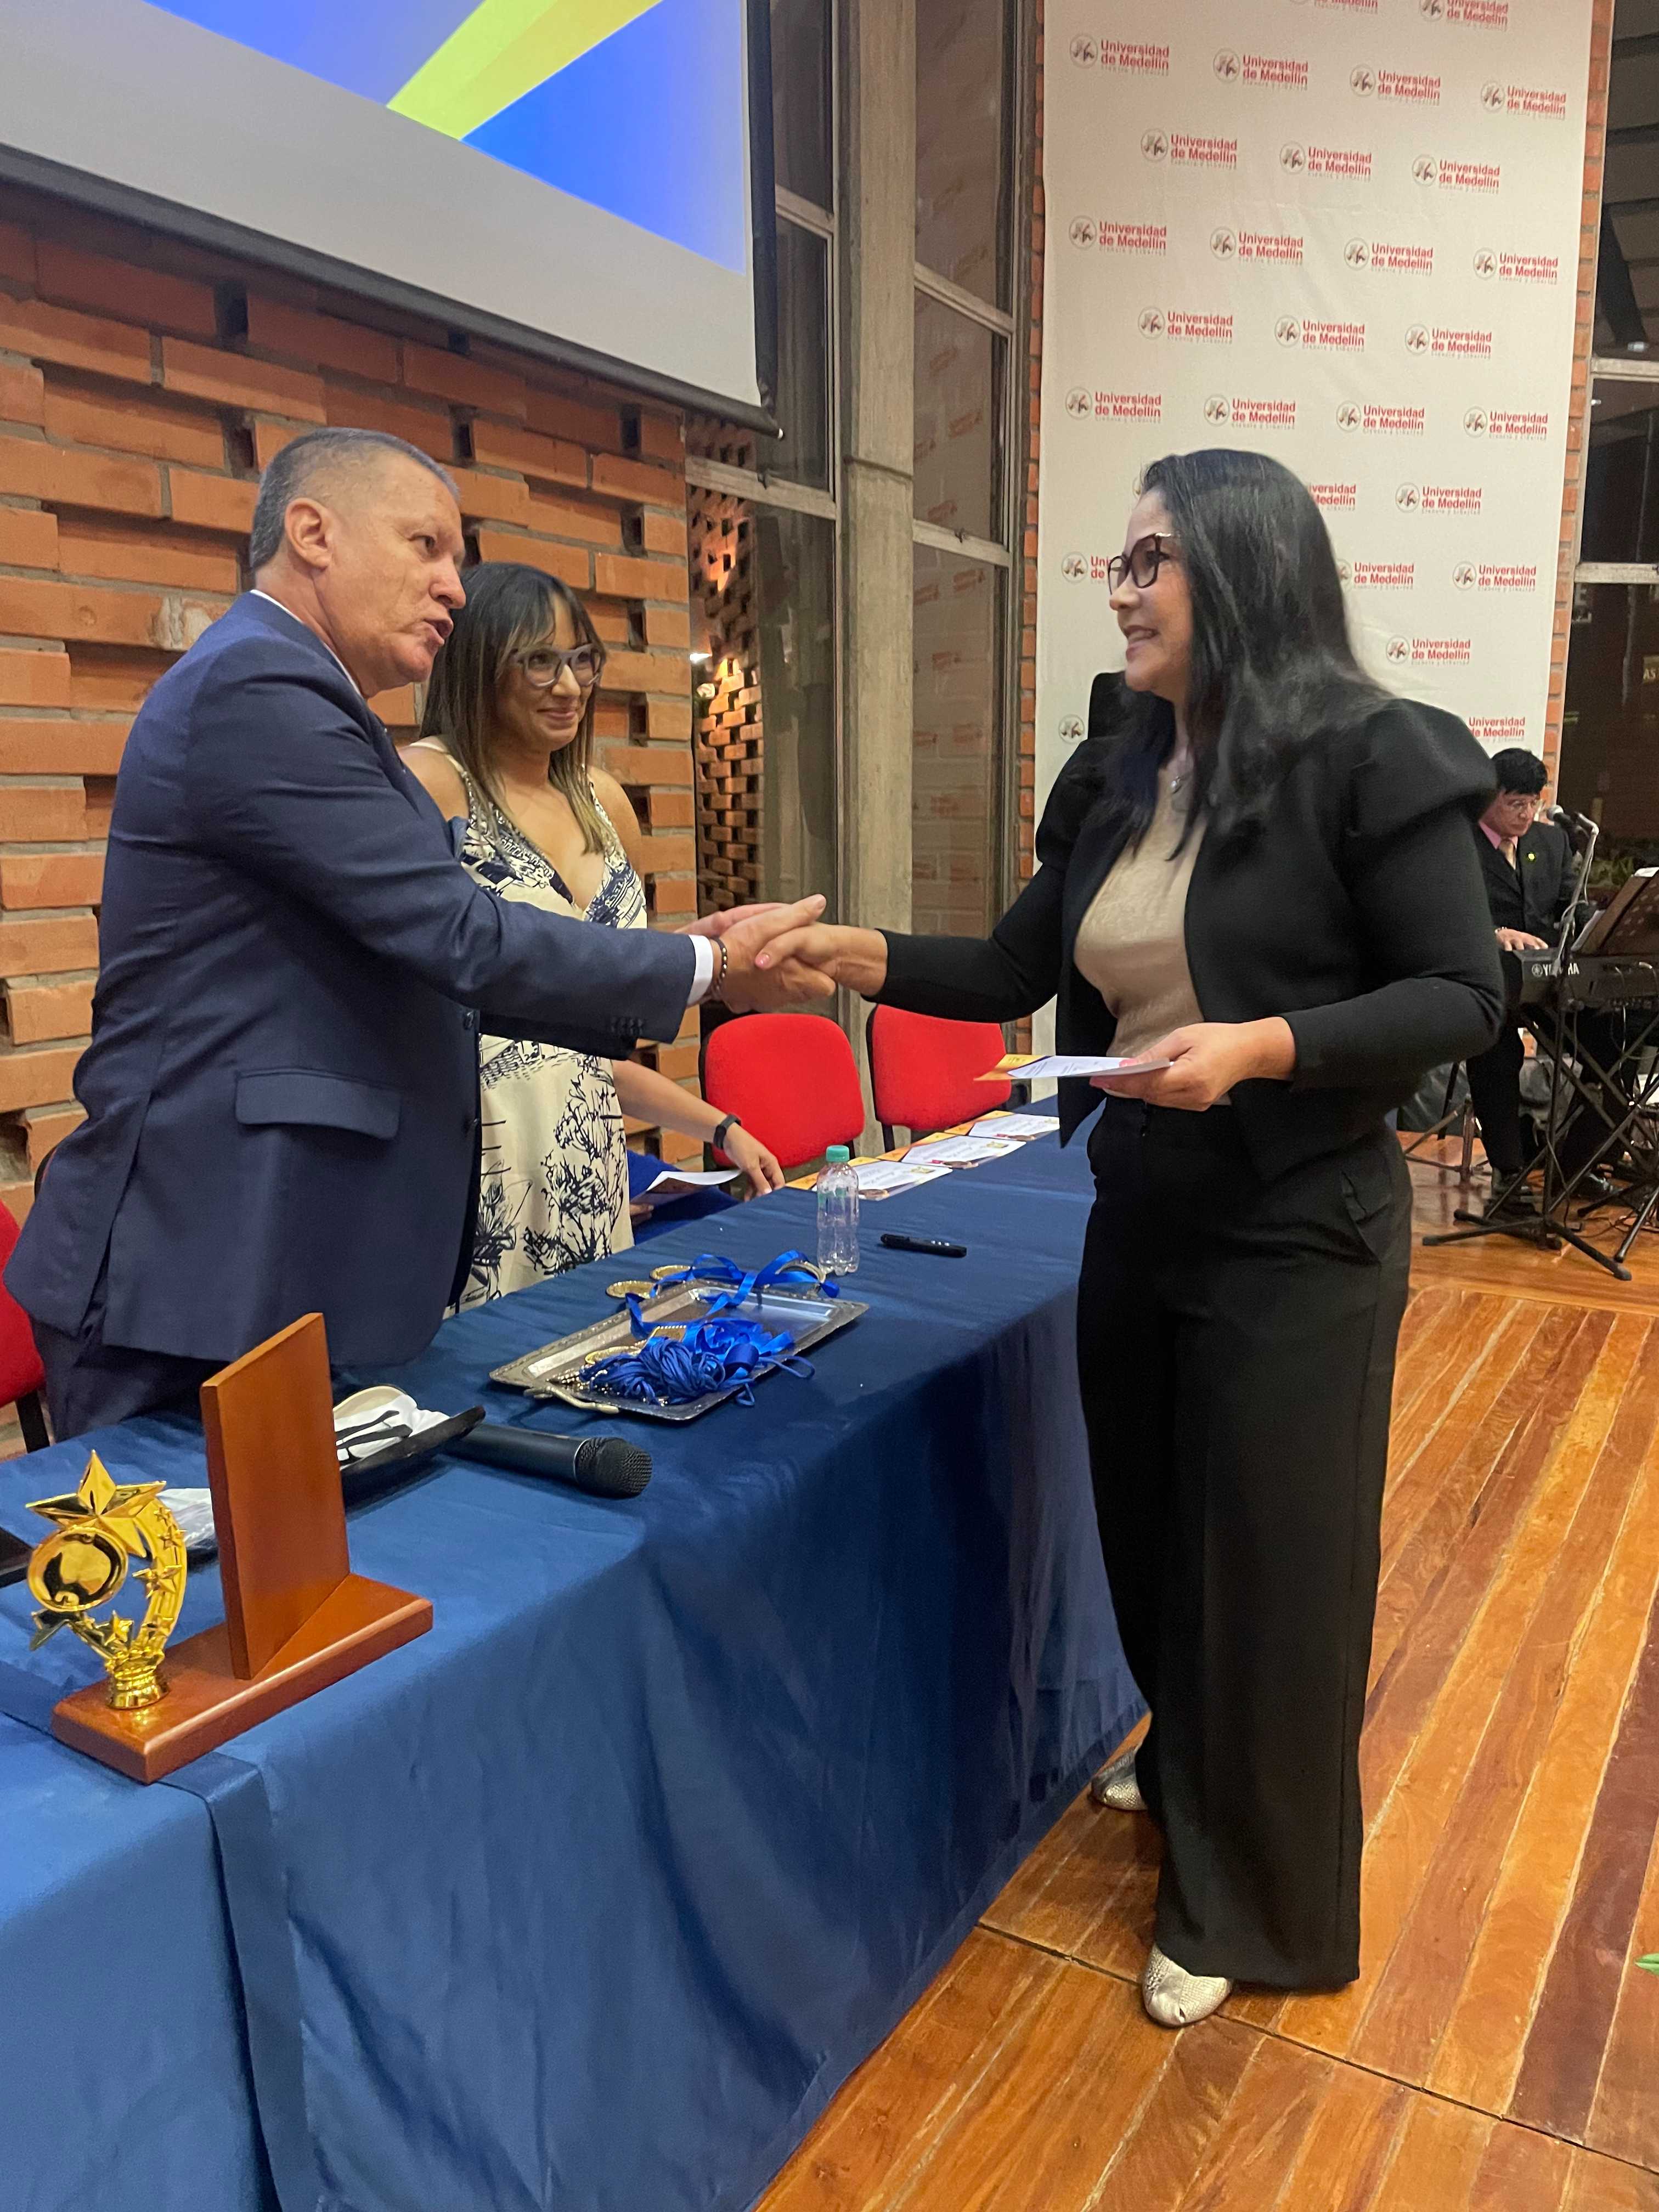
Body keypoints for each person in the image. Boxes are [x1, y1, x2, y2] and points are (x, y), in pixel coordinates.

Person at [760, 449, 1503, 2025]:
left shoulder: (1373, 756)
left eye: (1152, 559)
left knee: (1271, 1575)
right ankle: (1186, 1768)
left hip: (1299, 1226)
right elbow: (1013, 968)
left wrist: (1262, 1048)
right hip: (1145, 1207)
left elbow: (1459, 996)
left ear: (1244, 569)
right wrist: (853, 952)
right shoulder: (1125, 768)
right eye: (1123, 559)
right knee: (1157, 1533)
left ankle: (1258, 1909)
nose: (1123, 588)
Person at [8, 428, 827, 1438]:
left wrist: (682, 954)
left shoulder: (315, 701)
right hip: (197, 1267)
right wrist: (706, 967)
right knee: (192, 1544)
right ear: (313, 532)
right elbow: (460, 936)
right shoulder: (259, 684)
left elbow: (436, 963)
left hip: (267, 1263)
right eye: (426, 545)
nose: (452, 586)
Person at [402, 562, 782, 1301]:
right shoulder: (430, 782)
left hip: (589, 1171)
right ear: (480, 663)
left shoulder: (602, 801)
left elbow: (587, 1051)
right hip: (476, 1175)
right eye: (540, 661)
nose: (571, 685)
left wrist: (722, 1127)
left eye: (582, 659)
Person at [1463, 749, 1573, 1196]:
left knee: (1609, 1035)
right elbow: (1442, 916)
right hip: (1486, 979)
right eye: (1516, 804)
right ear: (1490, 796)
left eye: (1534, 803)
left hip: (1547, 980)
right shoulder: (1459, 844)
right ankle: (1509, 1171)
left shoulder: (1551, 842)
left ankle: (1576, 1165)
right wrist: (1495, 933)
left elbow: (1570, 907)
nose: (1527, 814)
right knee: (1497, 1045)